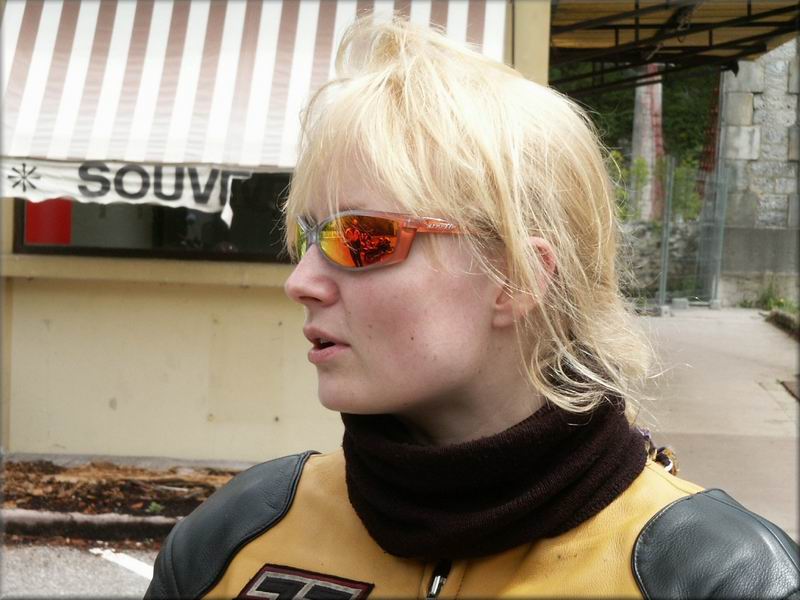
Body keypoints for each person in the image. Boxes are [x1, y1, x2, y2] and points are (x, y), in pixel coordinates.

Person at [146, 16, 799, 600]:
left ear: (514, 277)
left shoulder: (714, 576)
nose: (302, 281)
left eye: (361, 237)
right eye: (307, 236)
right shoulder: (242, 531)